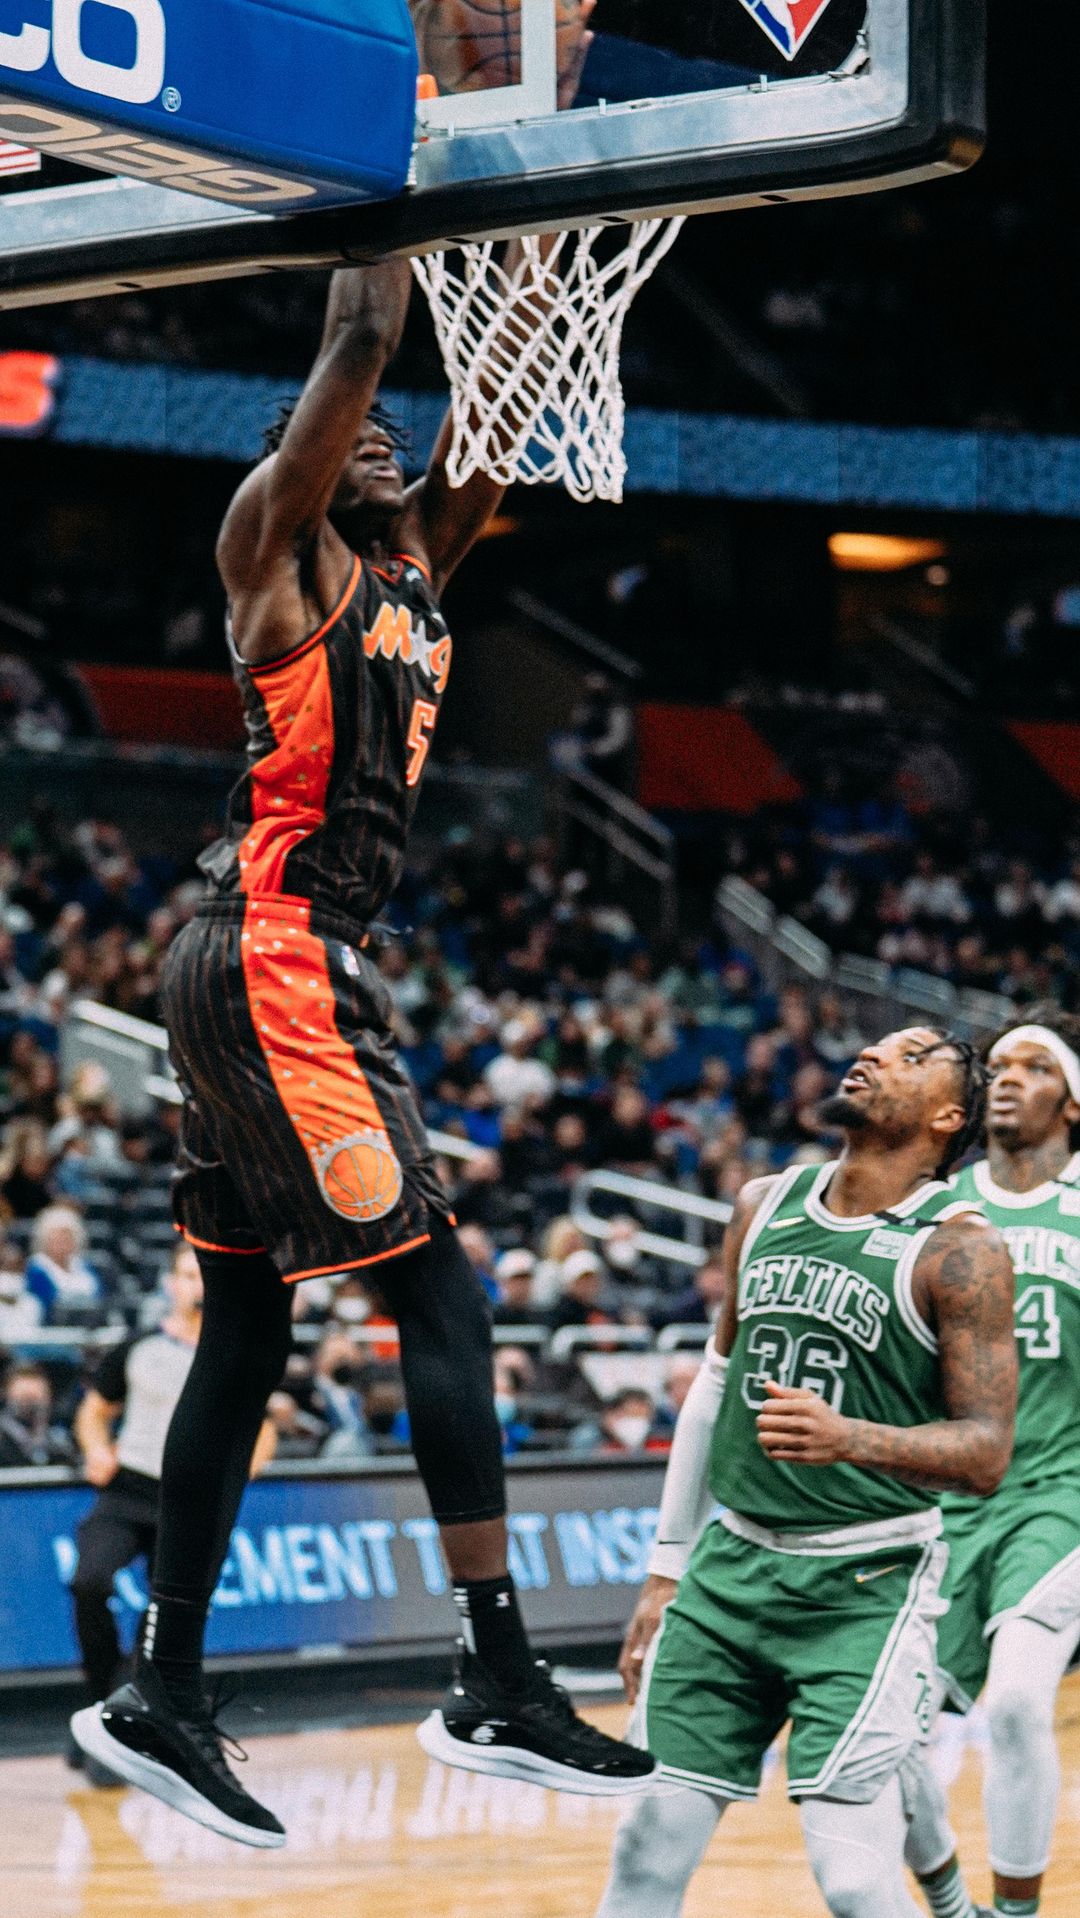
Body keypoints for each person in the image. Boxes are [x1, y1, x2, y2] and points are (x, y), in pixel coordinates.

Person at [70, 251, 652, 1843]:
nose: (382, 434)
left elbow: (499, 414)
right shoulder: (276, 549)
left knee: (247, 1328)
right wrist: (394, 180)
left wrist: (535, 253)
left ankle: (164, 1686)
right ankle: (496, 1672)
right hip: (275, 953)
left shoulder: (415, 580)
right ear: (306, 460)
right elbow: (364, 325)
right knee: (440, 1298)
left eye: (393, 431)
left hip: (269, 961)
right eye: (352, 430)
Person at [594, 1027, 1017, 1918]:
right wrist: (666, 1570)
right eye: (876, 1046)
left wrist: (851, 1437)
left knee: (855, 1880)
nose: (873, 1056)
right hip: (729, 1571)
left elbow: (985, 1453)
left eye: (910, 1057)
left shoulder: (961, 1252)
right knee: (642, 1853)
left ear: (949, 1116)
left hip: (866, 1582)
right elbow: (715, 1385)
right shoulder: (763, 1201)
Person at [904, 1008, 1080, 1918]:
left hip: (1062, 1493)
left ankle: (1017, 1912)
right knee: (886, 1735)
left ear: (1073, 1102)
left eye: (1035, 1066)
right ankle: (950, 1904)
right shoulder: (937, 1206)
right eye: (998, 1065)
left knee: (1014, 1703)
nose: (1007, 1077)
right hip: (949, 1500)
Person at [70, 1245, 275, 1726]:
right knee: (88, 1581)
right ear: (171, 1284)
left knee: (163, 1614)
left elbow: (262, 1428)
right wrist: (96, 1449)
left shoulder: (231, 1352)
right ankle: (104, 1693)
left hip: (190, 1500)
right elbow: (94, 1411)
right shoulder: (139, 1347)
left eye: (203, 1276)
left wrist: (236, 1474)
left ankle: (120, 1711)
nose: (196, 1285)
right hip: (128, 1488)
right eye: (187, 1275)